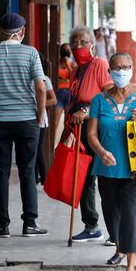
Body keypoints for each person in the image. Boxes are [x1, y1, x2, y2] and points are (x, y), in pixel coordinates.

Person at [87, 53, 136, 271]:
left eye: (125, 67)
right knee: (111, 213)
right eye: (116, 67)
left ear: (133, 69)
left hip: (134, 169)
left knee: (130, 214)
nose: (121, 71)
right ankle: (118, 246)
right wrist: (100, 152)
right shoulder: (99, 100)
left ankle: (130, 269)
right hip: (106, 168)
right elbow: (91, 134)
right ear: (109, 70)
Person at [0, 13, 48, 238]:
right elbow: (40, 87)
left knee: (1, 174)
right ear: (23, 32)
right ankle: (30, 224)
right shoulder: (31, 53)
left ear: (0, 31)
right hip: (27, 121)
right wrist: (39, 116)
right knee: (28, 171)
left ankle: (2, 226)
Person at [61, 25, 114, 243]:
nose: (79, 46)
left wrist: (87, 110)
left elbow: (109, 96)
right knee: (82, 178)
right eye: (75, 42)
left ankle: (115, 231)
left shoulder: (99, 64)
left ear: (92, 44)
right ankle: (91, 225)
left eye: (84, 42)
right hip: (79, 130)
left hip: (97, 130)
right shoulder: (76, 70)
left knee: (103, 180)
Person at [35, 53, 57, 185]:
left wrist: (40, 103)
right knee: (32, 151)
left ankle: (44, 178)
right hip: (29, 119)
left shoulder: (45, 80)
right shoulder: (26, 77)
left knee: (37, 150)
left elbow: (53, 100)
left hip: (42, 121)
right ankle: (35, 178)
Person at [54, 43, 75, 134]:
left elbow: (72, 77)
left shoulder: (71, 64)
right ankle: (51, 144)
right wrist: (65, 80)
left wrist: (67, 64)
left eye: (69, 50)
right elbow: (54, 80)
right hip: (58, 94)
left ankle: (63, 146)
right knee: (55, 122)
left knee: (67, 123)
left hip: (68, 95)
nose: (67, 52)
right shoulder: (56, 64)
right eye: (65, 50)